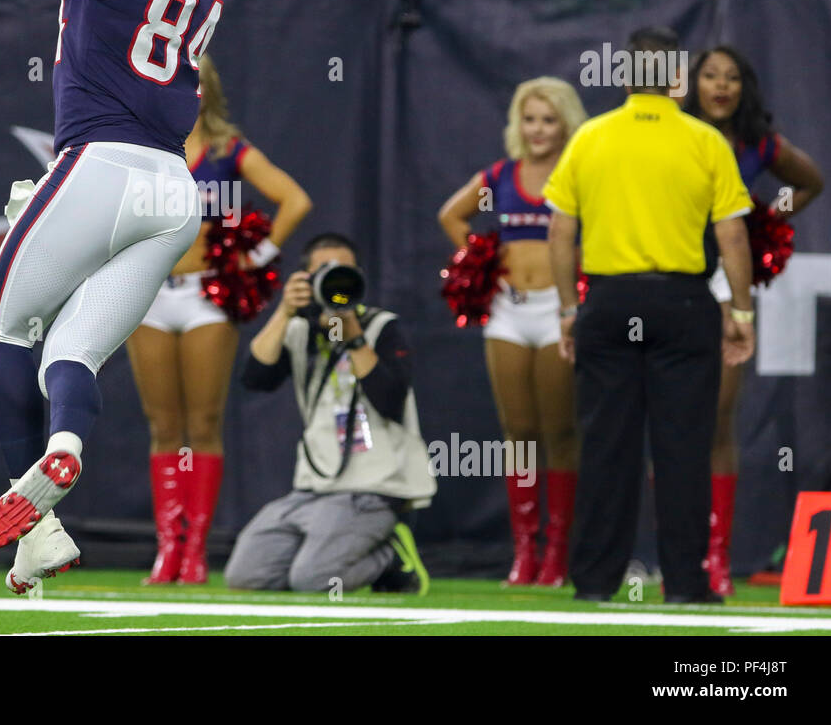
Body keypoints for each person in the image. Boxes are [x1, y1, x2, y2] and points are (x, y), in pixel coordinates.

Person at [0, 0, 236, 595]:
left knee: (3, 325)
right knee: (72, 355)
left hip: (100, 162)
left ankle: (44, 524)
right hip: (172, 189)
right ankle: (64, 455)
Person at [542, 26, 756, 604]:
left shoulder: (590, 137)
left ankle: (593, 583)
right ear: (677, 80)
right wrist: (741, 311)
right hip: (682, 303)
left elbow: (561, 233)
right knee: (684, 447)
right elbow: (733, 237)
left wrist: (568, 310)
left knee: (606, 445)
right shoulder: (705, 141)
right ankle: (686, 584)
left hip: (609, 303)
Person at [128, 55, 312, 584]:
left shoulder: (230, 151)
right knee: (163, 425)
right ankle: (168, 549)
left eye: (195, 82)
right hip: (148, 294)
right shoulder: (137, 147)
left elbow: (295, 200)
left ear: (207, 90)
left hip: (206, 297)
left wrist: (256, 258)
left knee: (203, 423)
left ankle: (195, 552)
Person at [685, 45, 824, 595]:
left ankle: (715, 559)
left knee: (716, 424)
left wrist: (765, 220)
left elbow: (809, 181)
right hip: (667, 280)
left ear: (746, 87)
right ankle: (676, 551)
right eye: (711, 75)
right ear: (693, 83)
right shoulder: (674, 132)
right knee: (669, 429)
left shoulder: (760, 144)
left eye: (733, 77)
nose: (721, 86)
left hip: (723, 285)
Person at [225, 233, 436, 593]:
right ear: (305, 279)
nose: (334, 281)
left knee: (314, 580)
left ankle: (390, 555)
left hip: (372, 490)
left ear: (359, 277)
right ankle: (335, 553)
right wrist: (284, 311)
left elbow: (389, 399)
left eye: (344, 271)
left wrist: (353, 336)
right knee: (246, 577)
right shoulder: (298, 330)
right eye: (324, 272)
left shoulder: (383, 327)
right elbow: (254, 378)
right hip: (312, 488)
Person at [437, 77, 586, 586]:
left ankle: (559, 554)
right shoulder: (500, 175)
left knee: (560, 430)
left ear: (567, 123)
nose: (539, 129)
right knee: (518, 432)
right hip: (508, 311)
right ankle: (525, 551)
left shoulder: (579, 173)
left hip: (559, 310)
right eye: (530, 119)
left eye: (548, 119)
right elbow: (451, 216)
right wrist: (482, 257)